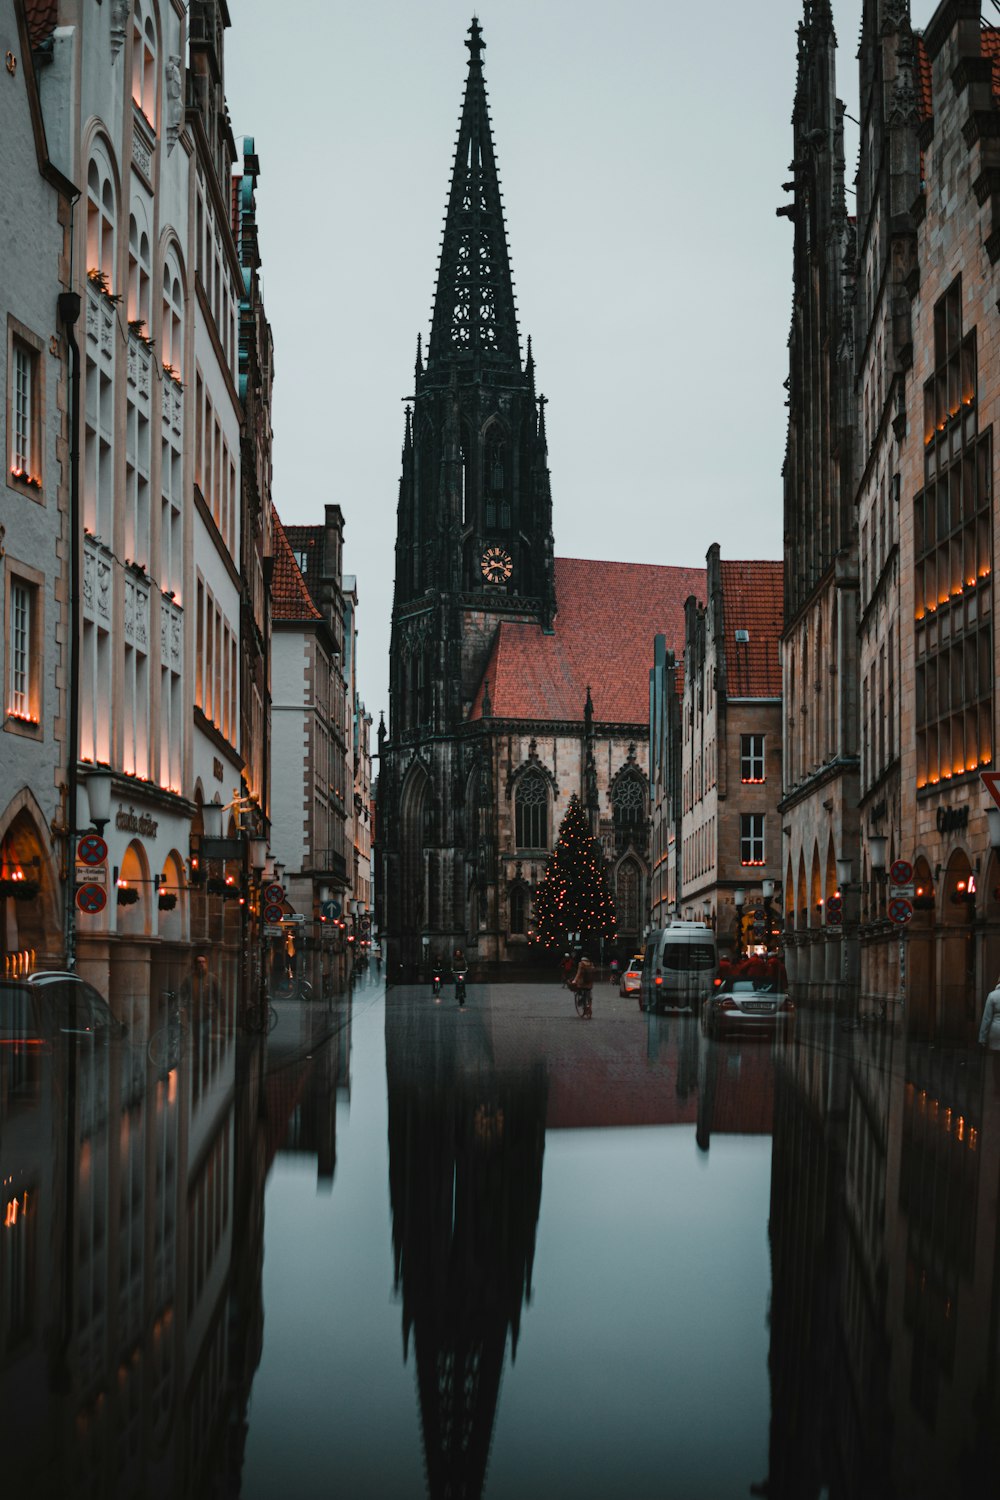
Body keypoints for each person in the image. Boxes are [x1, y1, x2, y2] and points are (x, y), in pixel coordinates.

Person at [571, 948, 594, 1018]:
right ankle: (589, 1007)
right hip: (590, 983)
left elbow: (579, 973)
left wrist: (574, 980)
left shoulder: (581, 964)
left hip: (582, 983)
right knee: (589, 996)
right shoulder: (591, 964)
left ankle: (583, 1004)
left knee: (581, 992)